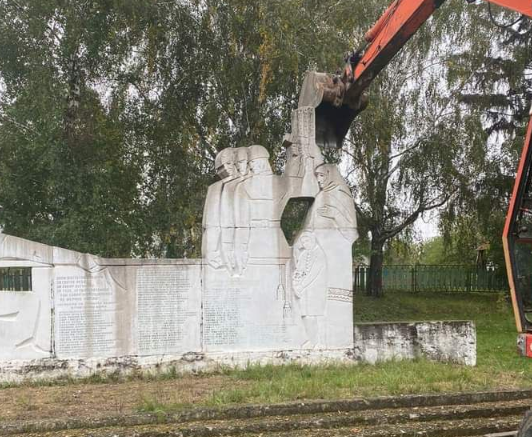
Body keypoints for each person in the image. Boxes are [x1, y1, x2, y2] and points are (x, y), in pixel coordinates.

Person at [202, 148, 237, 269]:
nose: (226, 169)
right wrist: (212, 251)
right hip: (221, 241)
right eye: (222, 166)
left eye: (229, 163)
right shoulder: (215, 188)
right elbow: (210, 223)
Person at [291, 231, 327, 348]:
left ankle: (319, 342)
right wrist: (295, 282)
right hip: (304, 292)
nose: (305, 244)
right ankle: (311, 340)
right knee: (305, 316)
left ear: (313, 240)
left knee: (315, 316)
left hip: (315, 291)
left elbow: (314, 273)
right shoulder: (304, 254)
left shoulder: (320, 254)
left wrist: (302, 285)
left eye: (307, 241)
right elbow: (298, 269)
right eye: (303, 242)